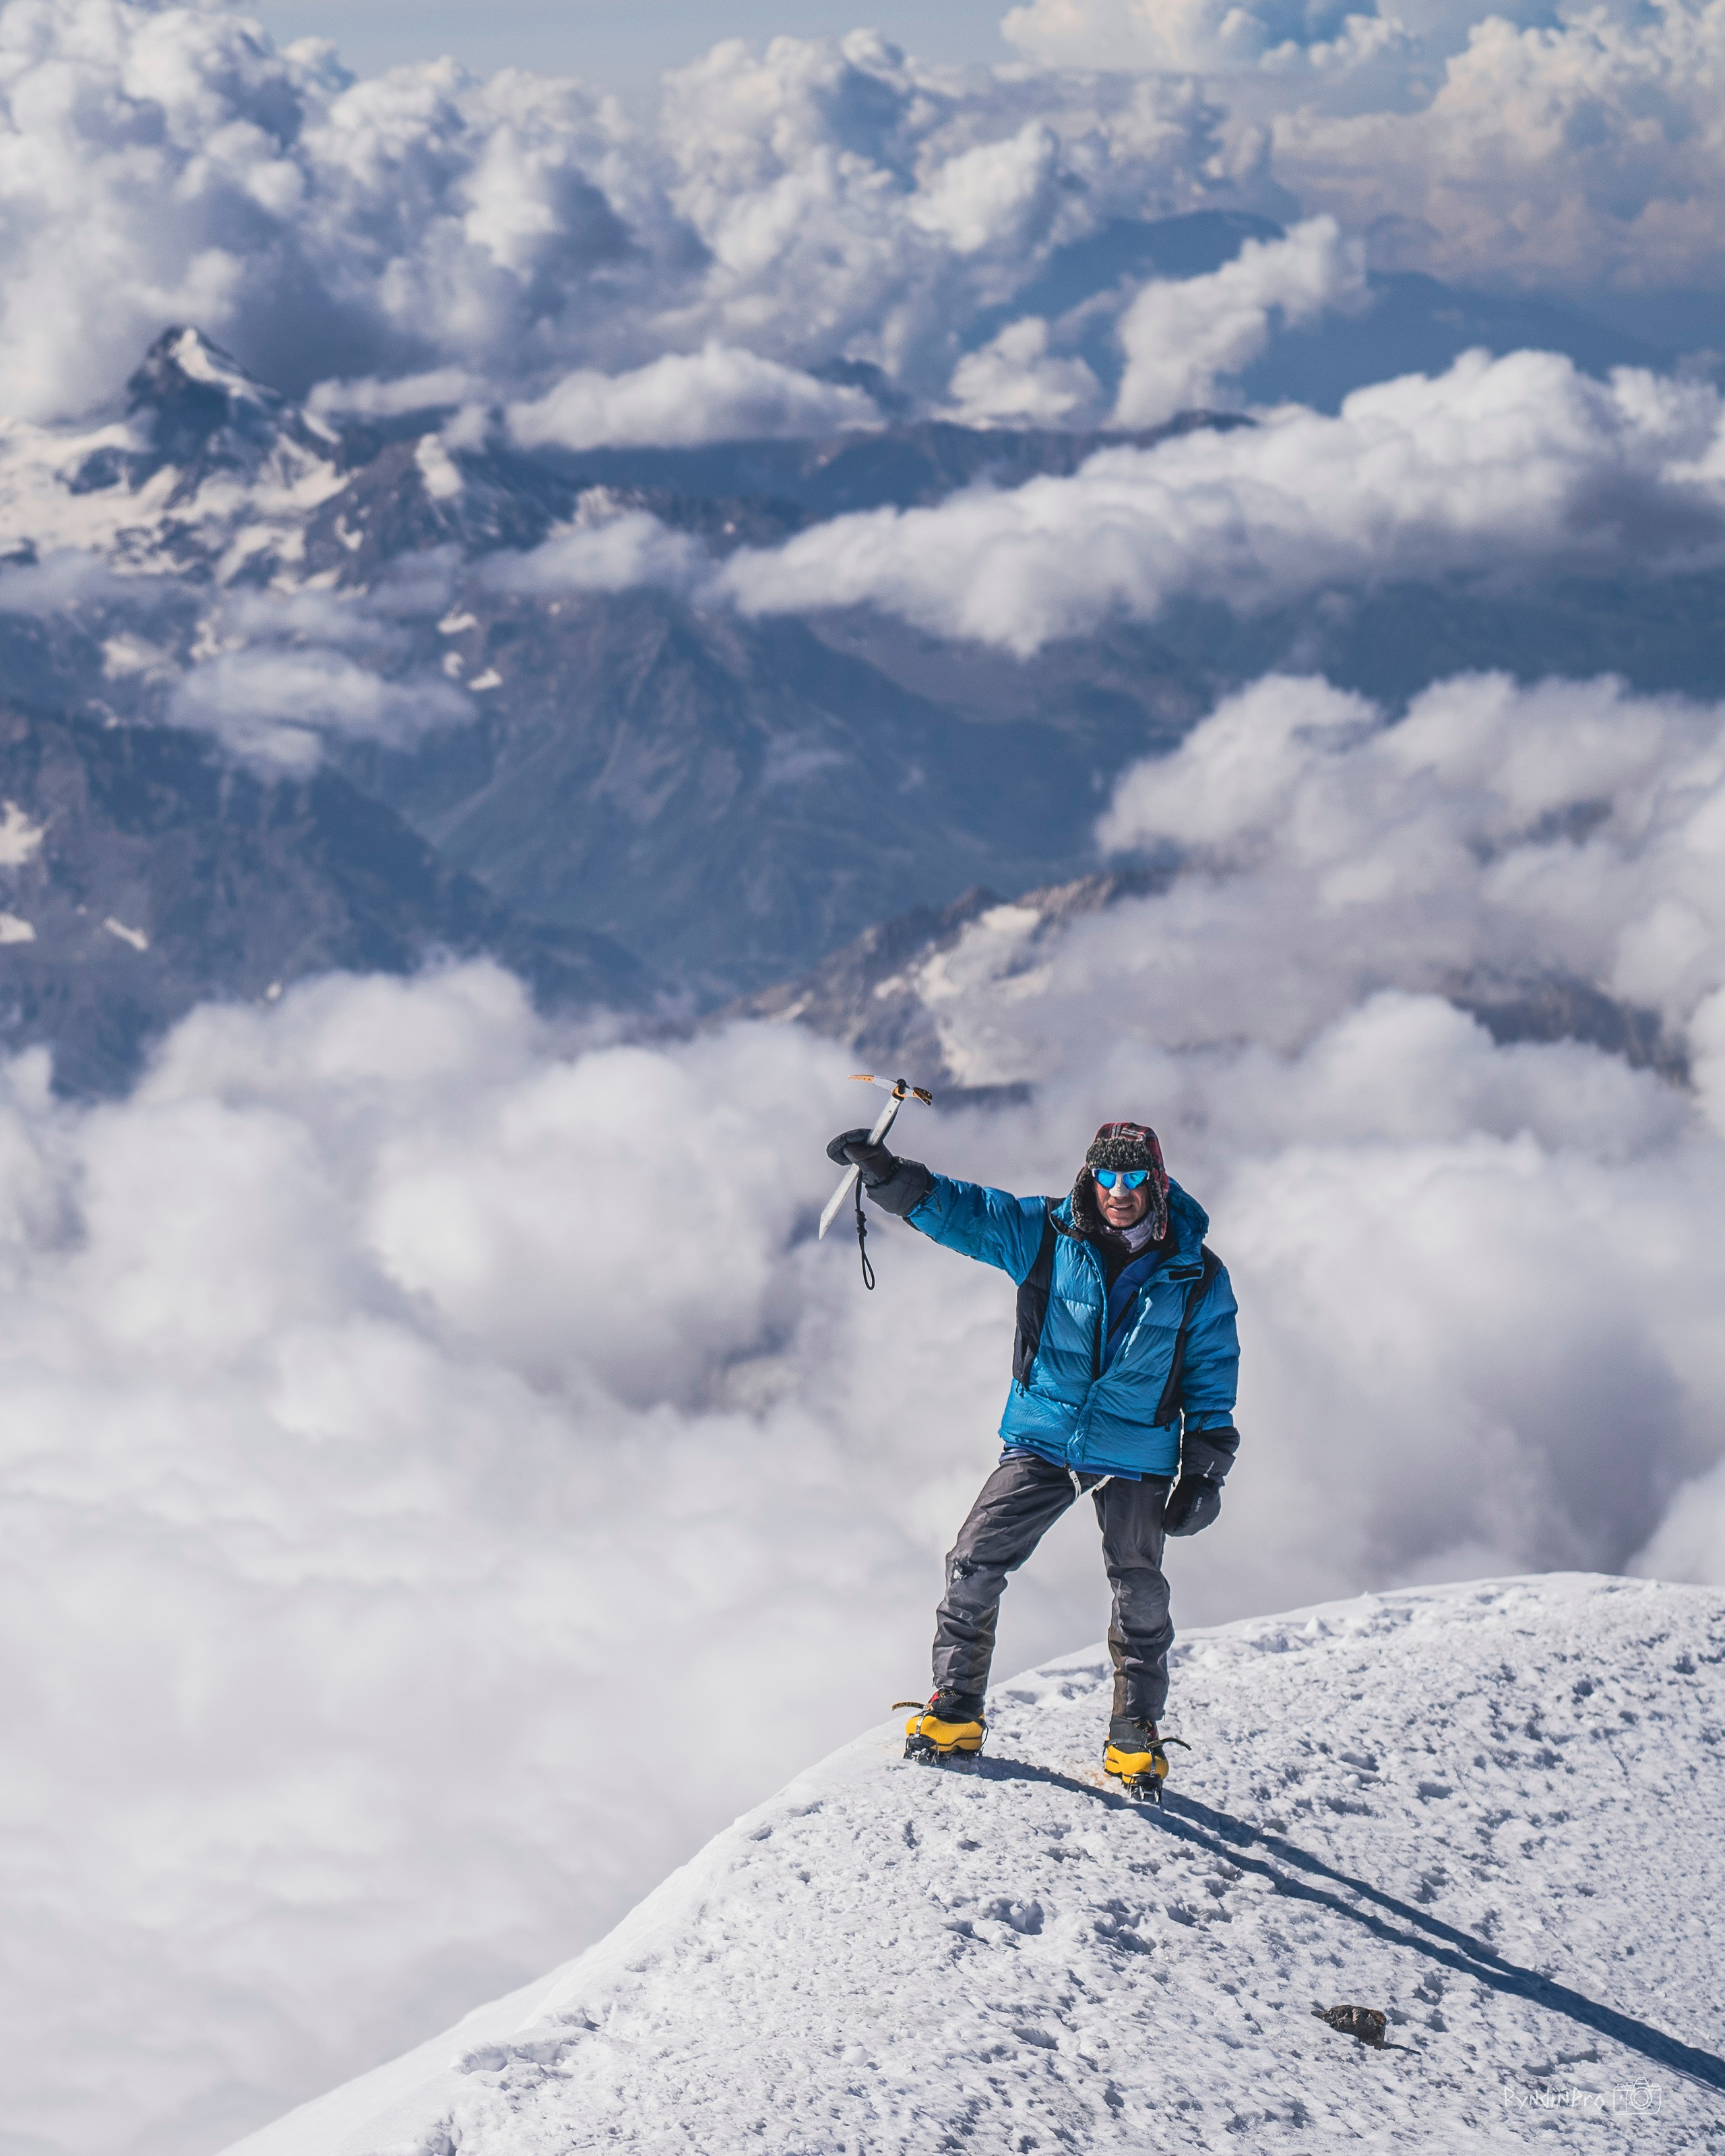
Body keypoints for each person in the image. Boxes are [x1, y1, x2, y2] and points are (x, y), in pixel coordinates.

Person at [825, 1117, 1241, 1799]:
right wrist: (888, 1176)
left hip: (1138, 1448)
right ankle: (955, 1710)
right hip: (1046, 1438)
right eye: (1106, 1175)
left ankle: (1134, 1737)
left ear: (1156, 1184)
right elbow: (968, 1213)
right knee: (974, 1558)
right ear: (1089, 1176)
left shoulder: (1196, 1272)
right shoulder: (1048, 1233)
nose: (1118, 1190)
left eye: (1133, 1177)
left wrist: (1205, 1468)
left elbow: (1211, 1372)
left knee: (1137, 1589)